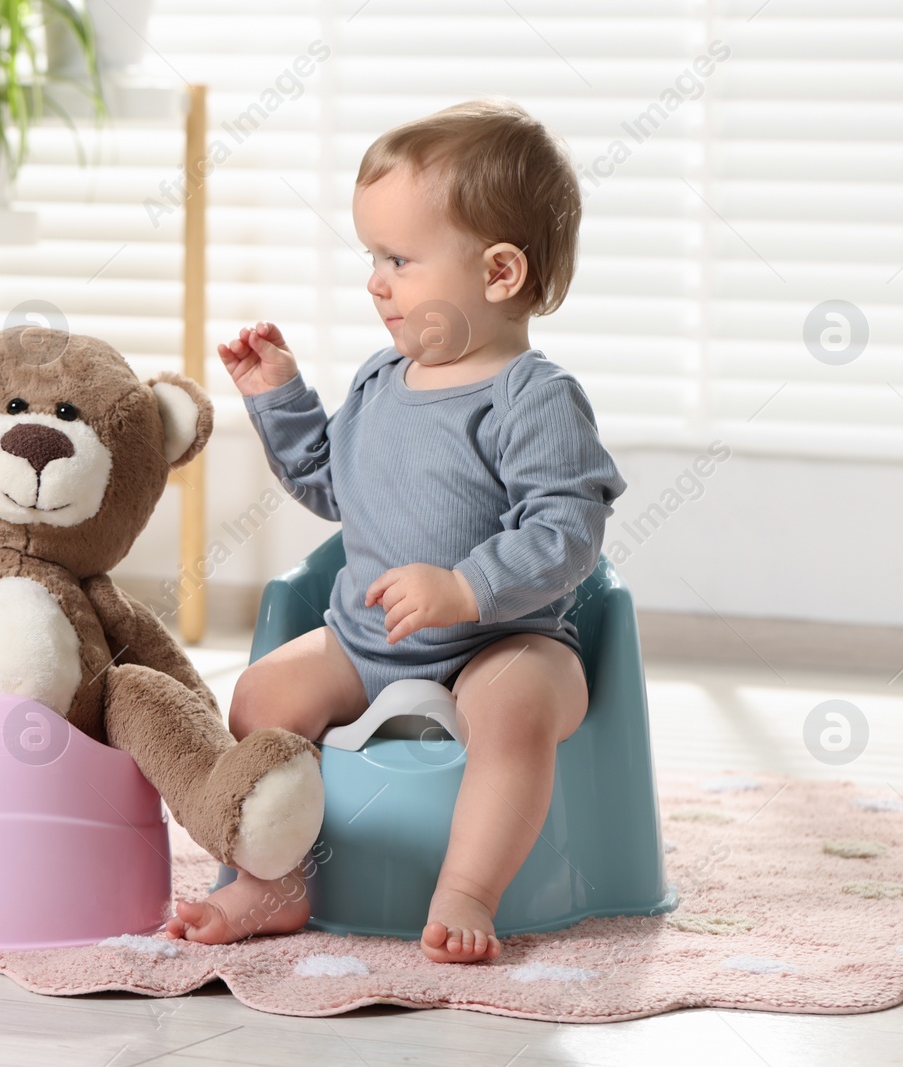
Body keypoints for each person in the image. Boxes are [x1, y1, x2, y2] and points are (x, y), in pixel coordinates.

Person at [165, 99, 628, 963]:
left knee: (513, 710)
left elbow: (568, 531)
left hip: (508, 637)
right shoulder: (384, 378)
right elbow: (333, 486)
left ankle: (467, 888)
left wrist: (464, 589)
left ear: (497, 273)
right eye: (372, 257)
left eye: (400, 259)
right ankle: (275, 881)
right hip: (370, 638)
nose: (375, 280)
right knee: (260, 699)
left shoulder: (533, 397)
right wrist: (279, 395)